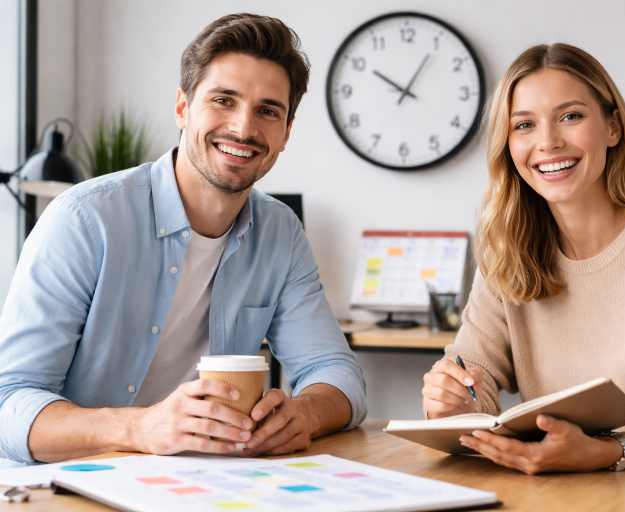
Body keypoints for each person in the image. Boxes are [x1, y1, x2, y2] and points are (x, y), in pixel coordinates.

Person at [0, 13, 366, 467]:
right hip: (68, 486)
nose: (243, 128)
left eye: (268, 111)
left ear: (286, 132)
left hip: (203, 484)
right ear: (182, 108)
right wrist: (141, 428)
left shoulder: (281, 233)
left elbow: (338, 374)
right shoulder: (84, 219)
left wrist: (304, 414)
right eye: (223, 100)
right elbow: (8, 404)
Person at [422, 43, 625, 511]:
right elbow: (472, 378)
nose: (548, 142)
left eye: (570, 116)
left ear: (613, 127)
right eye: (524, 125)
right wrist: (454, 403)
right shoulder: (506, 249)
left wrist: (606, 452)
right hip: (571, 501)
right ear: (509, 145)